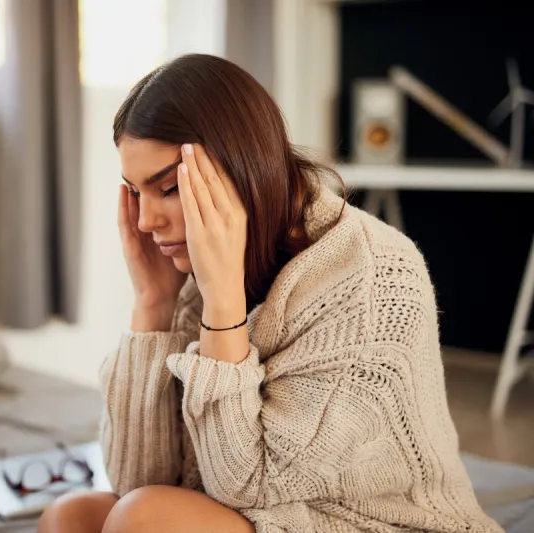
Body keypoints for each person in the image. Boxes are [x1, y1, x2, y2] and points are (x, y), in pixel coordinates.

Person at [37, 54, 501, 533]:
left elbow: (247, 485)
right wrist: (152, 304)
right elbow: (136, 478)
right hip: (265, 510)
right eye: (136, 192)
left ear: (242, 169)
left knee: (143, 519)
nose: (145, 221)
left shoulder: (375, 276)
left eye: (169, 188)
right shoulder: (193, 270)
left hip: (369, 521)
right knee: (72, 516)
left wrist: (223, 306)